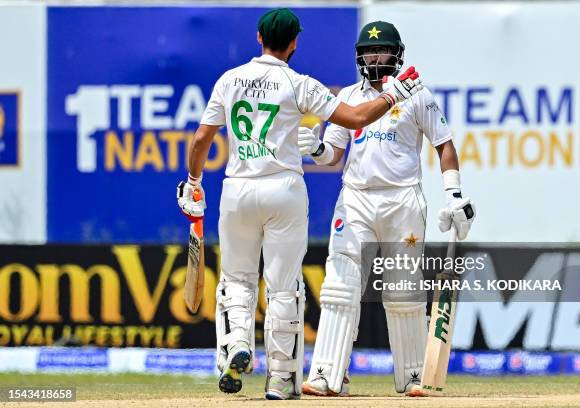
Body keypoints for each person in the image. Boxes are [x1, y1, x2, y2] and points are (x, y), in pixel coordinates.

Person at [176, 9, 424, 400]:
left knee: (237, 280)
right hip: (284, 190)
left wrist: (193, 182)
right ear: (294, 43)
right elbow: (358, 117)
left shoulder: (229, 80)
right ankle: (280, 379)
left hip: (237, 189)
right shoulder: (298, 84)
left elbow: (202, 137)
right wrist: (394, 94)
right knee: (283, 288)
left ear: (259, 37)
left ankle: (237, 343)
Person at [299, 21, 476, 397]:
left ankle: (414, 375)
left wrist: (454, 195)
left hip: (402, 202)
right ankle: (327, 374)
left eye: (378, 51)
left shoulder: (418, 96)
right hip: (356, 199)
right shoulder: (348, 96)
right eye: (365, 51)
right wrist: (315, 148)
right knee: (340, 288)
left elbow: (444, 145)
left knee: (402, 291)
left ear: (396, 54)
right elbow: (333, 154)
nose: (371, 57)